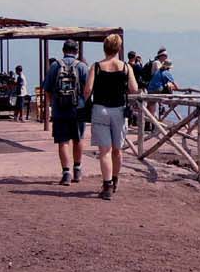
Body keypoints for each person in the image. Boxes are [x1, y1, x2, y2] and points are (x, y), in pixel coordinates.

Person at [84, 35, 140, 200]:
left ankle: (107, 185)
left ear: (105, 48)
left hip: (100, 109)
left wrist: (83, 104)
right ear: (119, 49)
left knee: (104, 151)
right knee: (117, 150)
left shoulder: (97, 67)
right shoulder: (125, 67)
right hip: (119, 110)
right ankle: (115, 179)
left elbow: (88, 90)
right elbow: (134, 88)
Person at [46, 41, 93, 185]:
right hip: (78, 108)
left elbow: (47, 89)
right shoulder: (82, 66)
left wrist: (51, 106)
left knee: (63, 141)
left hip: (60, 109)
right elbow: (88, 89)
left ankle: (66, 172)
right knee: (78, 139)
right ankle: (77, 170)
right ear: (77, 51)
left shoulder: (55, 66)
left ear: (63, 50)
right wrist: (83, 102)